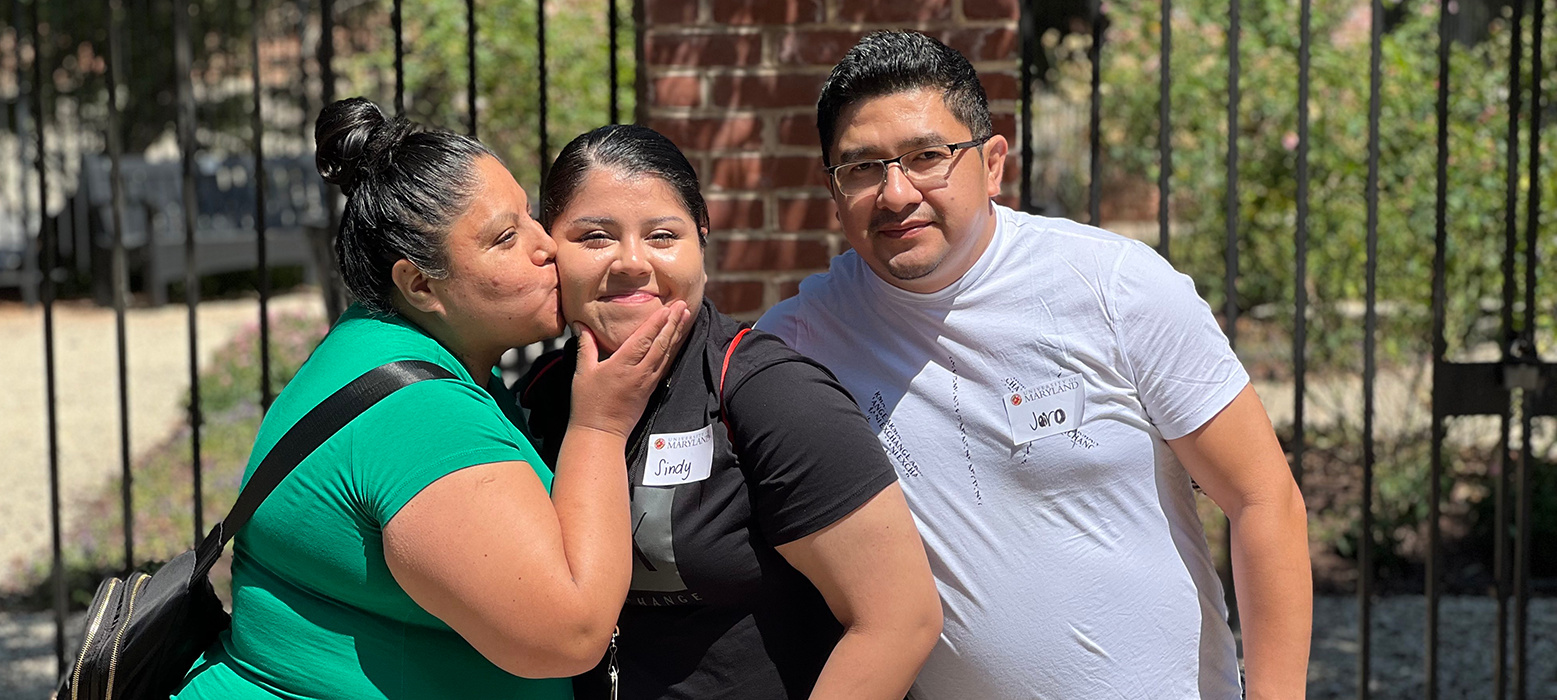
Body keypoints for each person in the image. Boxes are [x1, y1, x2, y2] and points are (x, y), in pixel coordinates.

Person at [756, 31, 1312, 700]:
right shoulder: (797, 348)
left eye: (928, 156)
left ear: (993, 164)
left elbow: (1263, 499)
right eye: (863, 167)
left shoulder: (1113, 287)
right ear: (834, 189)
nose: (896, 192)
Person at [173, 98, 692, 700]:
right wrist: (601, 425)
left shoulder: (370, 340)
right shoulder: (421, 415)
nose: (547, 245)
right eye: (504, 238)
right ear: (420, 285)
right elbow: (569, 634)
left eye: (527, 215)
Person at [515, 124, 942, 700]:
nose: (632, 262)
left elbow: (899, 621)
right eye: (595, 237)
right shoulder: (540, 396)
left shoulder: (768, 391)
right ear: (549, 248)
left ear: (702, 240)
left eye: (663, 235)